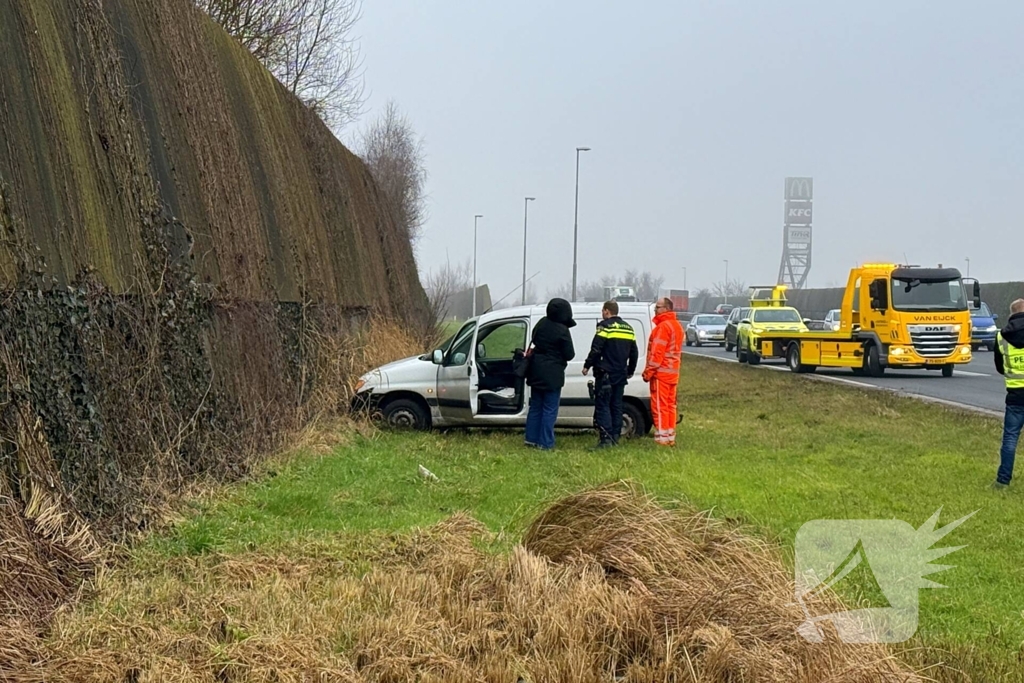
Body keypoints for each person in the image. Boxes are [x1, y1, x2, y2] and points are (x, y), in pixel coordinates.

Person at [583, 300, 638, 448]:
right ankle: (614, 437)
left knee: (603, 405)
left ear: (607, 311)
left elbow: (596, 348)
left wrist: (587, 365)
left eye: (603, 311)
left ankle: (605, 440)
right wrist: (630, 371)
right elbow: (634, 353)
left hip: (605, 373)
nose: (602, 313)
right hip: (620, 374)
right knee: (617, 405)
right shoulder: (629, 329)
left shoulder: (604, 326)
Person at [524, 298, 576, 449]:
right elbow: (569, 354)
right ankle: (546, 443)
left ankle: (531, 439)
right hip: (553, 374)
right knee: (549, 409)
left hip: (536, 370)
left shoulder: (541, 323)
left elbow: (534, 339)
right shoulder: (562, 330)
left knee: (535, 407)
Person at [642, 297, 683, 446]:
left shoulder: (663, 327)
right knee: (670, 406)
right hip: (673, 373)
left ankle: (661, 439)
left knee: (659, 406)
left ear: (666, 309)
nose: (655, 311)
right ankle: (670, 437)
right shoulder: (677, 326)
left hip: (661, 374)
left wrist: (648, 372)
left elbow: (657, 353)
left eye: (658, 308)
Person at [993, 298, 1024, 488]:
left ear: (1011, 314)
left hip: (1015, 396)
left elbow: (999, 366)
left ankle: (1003, 480)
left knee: (1010, 438)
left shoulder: (1001, 336)